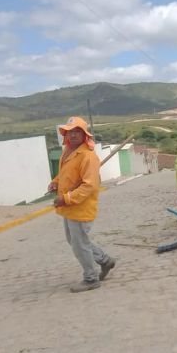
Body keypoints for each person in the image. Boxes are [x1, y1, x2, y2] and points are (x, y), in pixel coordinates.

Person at [48, 116, 116, 293]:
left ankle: (91, 278)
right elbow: (64, 174)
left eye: (77, 132)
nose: (73, 135)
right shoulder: (68, 152)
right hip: (70, 208)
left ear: (85, 135)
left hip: (80, 207)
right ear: (66, 135)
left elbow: (89, 186)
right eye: (70, 132)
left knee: (79, 244)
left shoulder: (87, 156)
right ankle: (104, 260)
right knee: (75, 241)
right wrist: (55, 182)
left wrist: (66, 198)